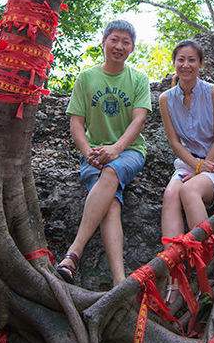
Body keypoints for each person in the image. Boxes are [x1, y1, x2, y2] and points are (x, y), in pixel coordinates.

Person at [57, 20, 151, 285]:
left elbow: (139, 119)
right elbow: (76, 122)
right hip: (94, 152)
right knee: (111, 205)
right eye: (115, 39)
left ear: (132, 48)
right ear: (104, 41)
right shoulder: (86, 78)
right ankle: (120, 280)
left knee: (111, 171)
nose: (119, 46)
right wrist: (87, 152)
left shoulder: (138, 79)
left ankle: (73, 253)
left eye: (126, 42)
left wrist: (116, 149)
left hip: (130, 151)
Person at [159, 40, 214, 245]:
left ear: (200, 64)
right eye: (181, 60)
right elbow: (174, 142)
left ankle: (204, 258)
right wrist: (195, 166)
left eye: (192, 60)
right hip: (188, 162)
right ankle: (172, 265)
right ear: (174, 63)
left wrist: (202, 168)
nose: (186, 65)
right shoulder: (166, 99)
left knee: (189, 190)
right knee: (170, 195)